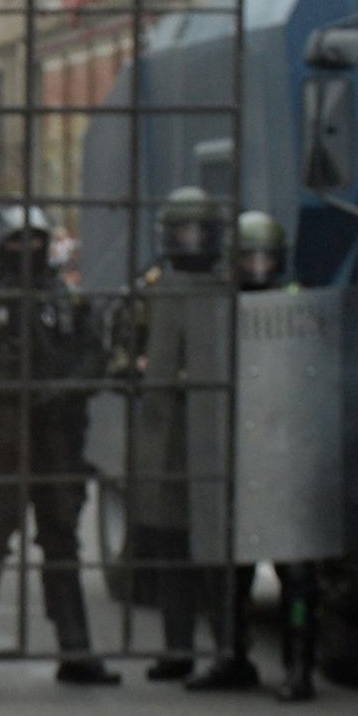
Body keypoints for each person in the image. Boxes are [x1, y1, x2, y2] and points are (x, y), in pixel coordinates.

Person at [0, 203, 115, 686]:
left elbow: (92, 356)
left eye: (34, 241)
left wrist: (57, 389)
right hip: (2, 434)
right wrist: (13, 388)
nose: (27, 251)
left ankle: (76, 649)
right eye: (17, 241)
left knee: (62, 542)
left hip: (58, 435)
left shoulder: (65, 297)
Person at [123, 185, 236, 681]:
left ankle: (228, 649)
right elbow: (122, 344)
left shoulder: (229, 292)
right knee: (169, 547)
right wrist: (130, 368)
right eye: (181, 231)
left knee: (216, 551)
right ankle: (178, 647)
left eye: (198, 231)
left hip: (214, 433)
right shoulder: (150, 290)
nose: (190, 241)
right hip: (163, 434)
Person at [229, 209, 319, 701]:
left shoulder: (299, 303)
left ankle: (299, 665)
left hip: (285, 447)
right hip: (238, 444)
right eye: (249, 257)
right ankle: (232, 655)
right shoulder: (221, 304)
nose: (258, 266)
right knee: (231, 566)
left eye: (265, 257)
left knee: (297, 571)